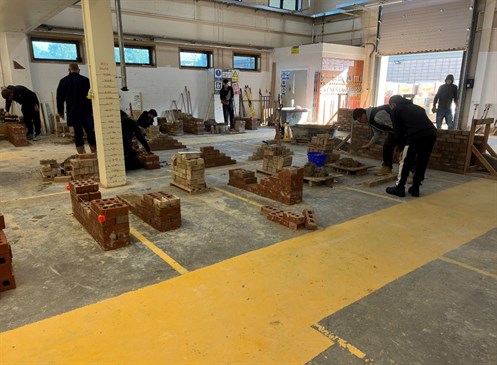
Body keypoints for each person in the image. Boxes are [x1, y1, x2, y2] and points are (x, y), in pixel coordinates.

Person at [386, 95, 437, 198]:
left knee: (406, 161)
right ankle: (415, 188)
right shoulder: (418, 108)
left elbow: (398, 132)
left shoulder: (396, 110)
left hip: (415, 136)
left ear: (393, 104)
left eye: (391, 106)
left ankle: (400, 188)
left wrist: (401, 149)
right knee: (422, 161)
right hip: (431, 134)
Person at [56, 63, 96, 154]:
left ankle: (81, 153)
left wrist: (60, 111)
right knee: (90, 131)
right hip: (86, 111)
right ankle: (94, 151)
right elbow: (93, 96)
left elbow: (59, 98)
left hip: (72, 111)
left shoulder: (63, 81)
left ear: (69, 70)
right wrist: (93, 110)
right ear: (79, 70)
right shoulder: (86, 80)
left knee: (78, 132)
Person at [352, 105, 395, 176]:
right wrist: (368, 145)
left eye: (359, 120)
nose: (361, 122)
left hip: (405, 128)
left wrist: (400, 139)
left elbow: (394, 125)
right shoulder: (371, 120)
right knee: (387, 146)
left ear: (363, 115)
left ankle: (413, 172)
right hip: (394, 130)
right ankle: (387, 168)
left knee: (407, 149)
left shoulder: (377, 116)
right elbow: (377, 134)